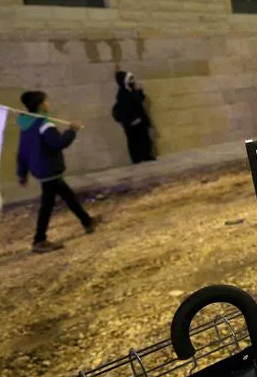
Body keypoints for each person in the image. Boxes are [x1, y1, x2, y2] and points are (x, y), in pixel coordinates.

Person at [16, 91, 97, 253]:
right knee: (47, 205)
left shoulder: (26, 125)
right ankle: (39, 240)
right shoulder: (44, 124)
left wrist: (22, 173)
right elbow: (59, 143)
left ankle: (87, 221)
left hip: (42, 169)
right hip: (49, 169)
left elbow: (22, 151)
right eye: (46, 101)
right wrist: (72, 130)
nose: (48, 104)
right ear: (40, 105)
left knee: (68, 195)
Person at [111, 70, 155, 163]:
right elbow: (125, 108)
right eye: (130, 78)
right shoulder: (122, 94)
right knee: (133, 140)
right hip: (132, 122)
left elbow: (140, 100)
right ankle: (136, 158)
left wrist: (139, 91)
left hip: (140, 120)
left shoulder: (132, 90)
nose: (133, 80)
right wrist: (134, 119)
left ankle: (146, 155)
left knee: (144, 138)